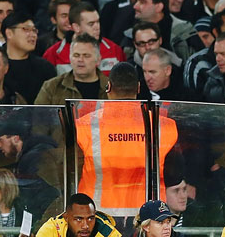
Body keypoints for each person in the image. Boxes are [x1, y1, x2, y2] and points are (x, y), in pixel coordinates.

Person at [75, 63, 177, 218]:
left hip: (97, 214)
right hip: (148, 214)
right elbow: (176, 171)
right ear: (138, 88)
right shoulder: (163, 125)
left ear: (108, 87)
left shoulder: (84, 125)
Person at [35, 35, 109, 105]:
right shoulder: (51, 87)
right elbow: (38, 116)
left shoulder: (112, 88)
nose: (80, 60)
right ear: (70, 58)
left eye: (86, 56)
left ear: (98, 60)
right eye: (76, 55)